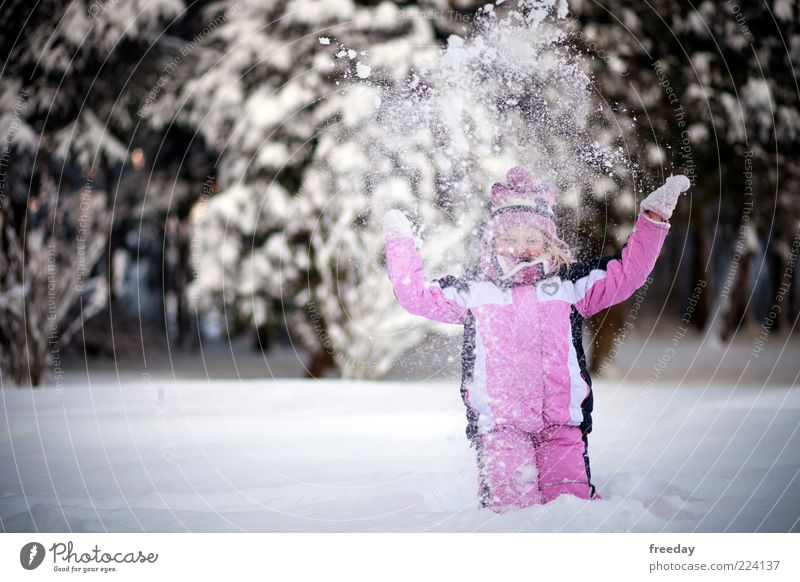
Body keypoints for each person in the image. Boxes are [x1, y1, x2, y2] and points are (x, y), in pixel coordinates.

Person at [382, 165, 690, 513]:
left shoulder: (569, 287)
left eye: (531, 239)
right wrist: (399, 243)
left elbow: (627, 274)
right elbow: (415, 295)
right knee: (510, 512)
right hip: (500, 428)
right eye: (509, 238)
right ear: (491, 241)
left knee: (571, 508)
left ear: (549, 243)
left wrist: (652, 218)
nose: (520, 248)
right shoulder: (475, 293)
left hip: (562, 425)